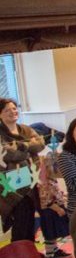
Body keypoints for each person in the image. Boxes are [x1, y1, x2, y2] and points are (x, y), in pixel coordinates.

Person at [0, 98, 45, 245]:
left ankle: (29, 249)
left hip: (32, 177)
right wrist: (27, 150)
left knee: (31, 217)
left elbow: (40, 144)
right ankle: (19, 254)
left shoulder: (25, 129)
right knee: (19, 216)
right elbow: (6, 153)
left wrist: (21, 147)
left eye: (14, 108)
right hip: (11, 181)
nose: (12, 112)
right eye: (7, 110)